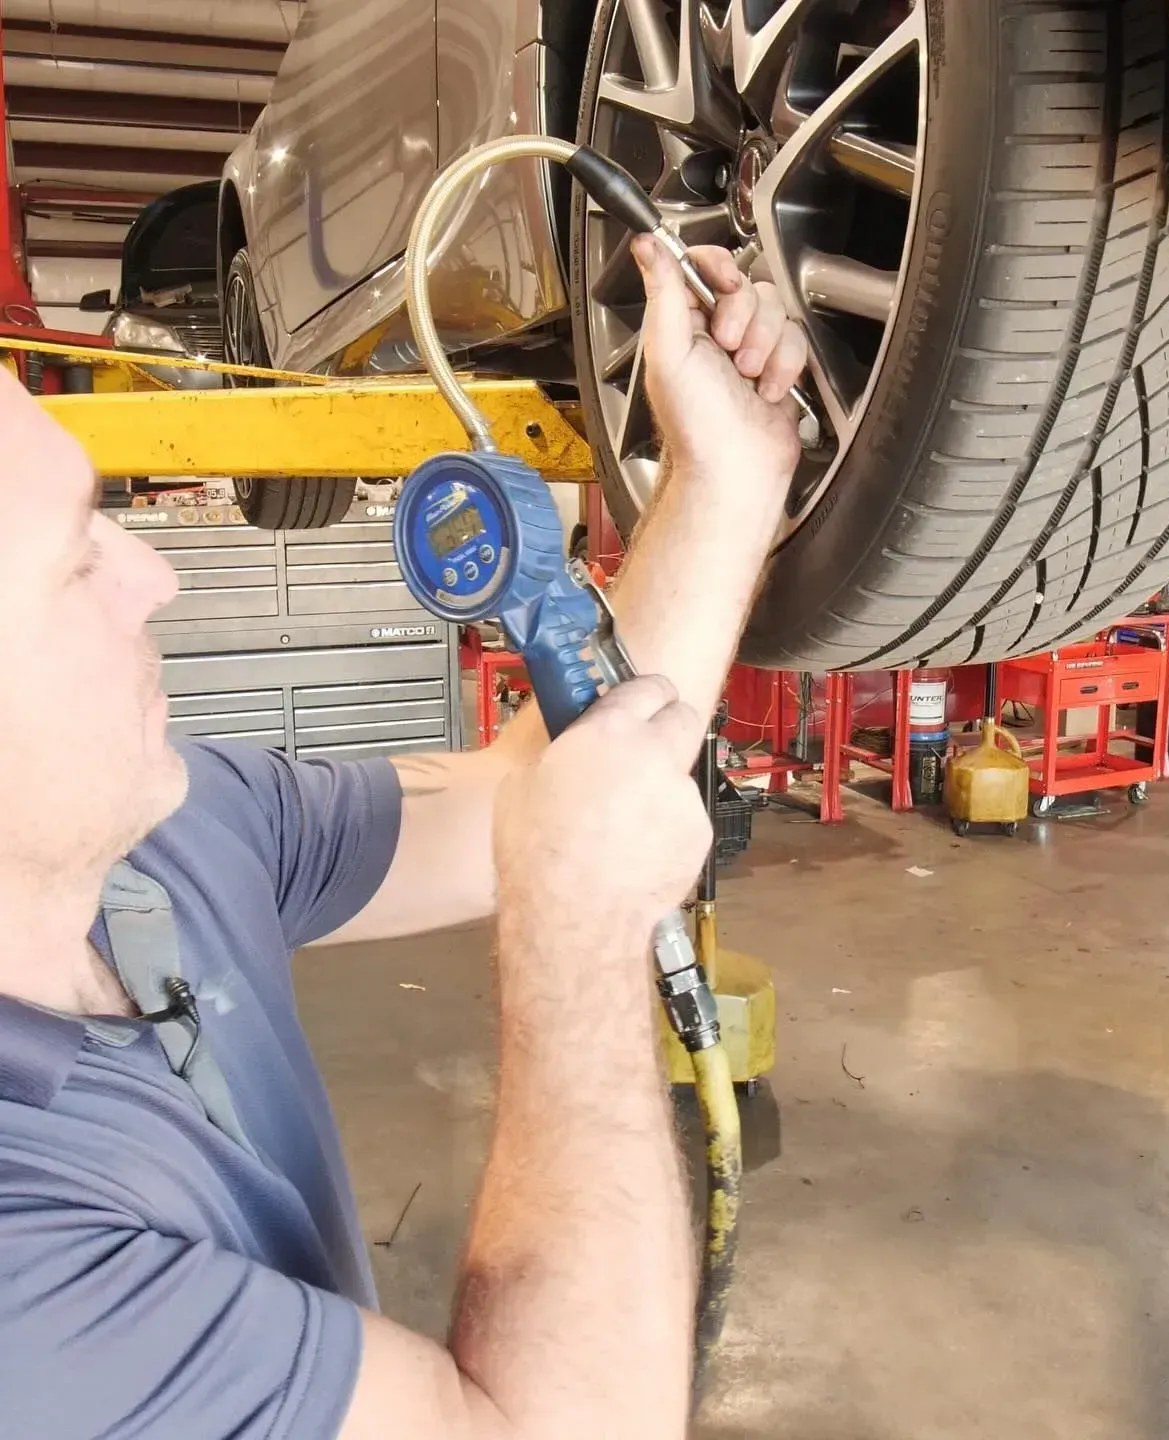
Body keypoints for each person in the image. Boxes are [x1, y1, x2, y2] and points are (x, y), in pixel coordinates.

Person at [0, 235, 806, 1439]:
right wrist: (576, 946)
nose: (155, 575)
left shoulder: (164, 842)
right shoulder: (27, 1300)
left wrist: (728, 480)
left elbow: (515, 791)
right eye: (75, 563)